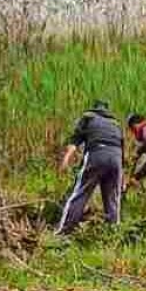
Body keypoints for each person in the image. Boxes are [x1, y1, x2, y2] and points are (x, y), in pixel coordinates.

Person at [57, 100, 125, 234]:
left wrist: (65, 160)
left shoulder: (88, 117)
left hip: (97, 154)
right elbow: (122, 149)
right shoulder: (115, 123)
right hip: (116, 159)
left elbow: (75, 141)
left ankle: (63, 232)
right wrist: (122, 176)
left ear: (94, 108)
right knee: (112, 198)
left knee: (80, 193)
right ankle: (114, 234)